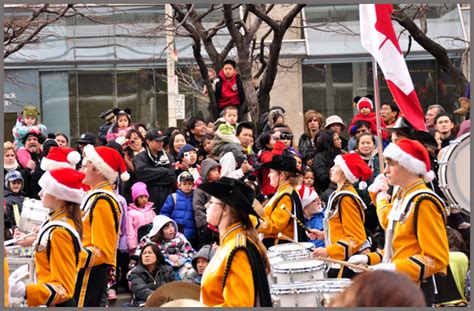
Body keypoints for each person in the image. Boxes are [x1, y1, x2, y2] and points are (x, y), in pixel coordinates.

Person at [348, 139, 449, 306]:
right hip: (400, 287)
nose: (385, 170)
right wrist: (370, 259)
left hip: (416, 289)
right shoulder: (401, 196)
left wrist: (394, 268)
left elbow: (436, 258)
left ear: (407, 165)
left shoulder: (424, 201)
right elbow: (398, 247)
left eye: (390, 164)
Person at [8, 168, 85, 306]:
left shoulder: (59, 232)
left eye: (45, 189)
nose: (40, 193)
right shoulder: (57, 222)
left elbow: (63, 288)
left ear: (58, 195)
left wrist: (26, 291)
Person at [198, 177, 272, 306]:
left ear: (226, 209)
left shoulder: (238, 250)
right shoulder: (231, 243)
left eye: (211, 202)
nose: (206, 205)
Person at [73, 146, 129, 307]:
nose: (82, 169)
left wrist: (69, 255)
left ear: (98, 169)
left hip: (90, 272)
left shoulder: (102, 199)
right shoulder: (93, 196)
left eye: (86, 165)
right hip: (84, 269)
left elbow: (101, 250)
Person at [310, 153, 372, 278]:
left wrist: (328, 251)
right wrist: (323, 235)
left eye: (336, 166)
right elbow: (342, 229)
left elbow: (356, 237)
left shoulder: (346, 198)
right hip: (341, 260)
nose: (331, 169)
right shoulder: (340, 194)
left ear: (345, 172)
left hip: (347, 263)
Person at [256, 142, 307, 248]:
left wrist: (254, 221)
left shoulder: (286, 196)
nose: (269, 175)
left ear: (282, 175)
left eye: (271, 172)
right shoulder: (284, 192)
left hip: (280, 248)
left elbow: (275, 226)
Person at [133, 129, 176, 214]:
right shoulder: (139, 158)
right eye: (158, 141)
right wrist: (163, 170)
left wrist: (151, 179)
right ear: (148, 142)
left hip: (166, 200)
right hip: (148, 202)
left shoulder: (169, 157)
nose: (161, 143)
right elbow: (141, 176)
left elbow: (171, 177)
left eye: (162, 141)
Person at [139, 215, 195, 280]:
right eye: (167, 228)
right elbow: (139, 256)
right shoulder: (147, 240)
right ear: (159, 231)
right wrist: (167, 257)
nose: (171, 230)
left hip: (179, 266)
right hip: (157, 269)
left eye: (172, 226)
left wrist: (179, 257)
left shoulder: (180, 238)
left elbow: (191, 253)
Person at [329, 270, 426, 307]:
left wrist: (396, 266)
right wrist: (369, 258)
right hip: (391, 282)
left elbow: (434, 258)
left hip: (413, 282)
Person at [160, 171, 198, 249]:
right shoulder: (173, 197)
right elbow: (164, 215)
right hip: (176, 235)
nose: (187, 186)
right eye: (184, 184)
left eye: (190, 184)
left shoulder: (196, 198)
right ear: (179, 185)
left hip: (192, 236)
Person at [193, 158, 221, 248]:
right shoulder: (200, 188)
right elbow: (198, 207)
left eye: (217, 170)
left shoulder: (219, 186)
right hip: (206, 226)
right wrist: (203, 225)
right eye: (213, 170)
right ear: (206, 172)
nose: (216, 173)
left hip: (218, 225)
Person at [126, 182, 156, 256]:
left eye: (146, 197)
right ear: (136, 198)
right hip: (138, 243)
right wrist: (132, 245)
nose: (144, 199)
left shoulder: (151, 211)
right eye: (141, 197)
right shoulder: (131, 213)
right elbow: (130, 230)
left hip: (151, 242)